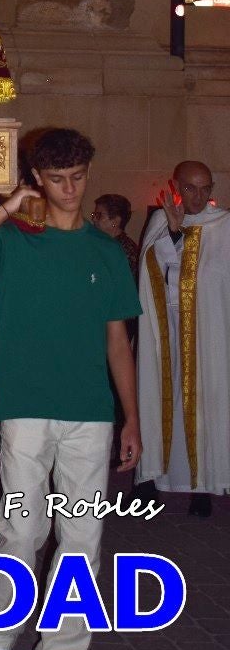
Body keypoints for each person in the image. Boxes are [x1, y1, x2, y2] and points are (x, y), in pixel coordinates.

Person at [0, 128, 142, 650]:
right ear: (37, 180)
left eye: (77, 178)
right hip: (25, 404)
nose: (70, 190)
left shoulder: (107, 251)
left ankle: (64, 648)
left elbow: (118, 341)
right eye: (57, 179)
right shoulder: (12, 239)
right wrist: (6, 209)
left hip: (91, 411)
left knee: (83, 536)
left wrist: (133, 419)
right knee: (19, 531)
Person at [136, 160, 230, 517]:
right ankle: (151, 481)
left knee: (207, 406)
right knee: (159, 400)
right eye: (190, 188)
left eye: (205, 188)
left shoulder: (224, 225)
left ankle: (203, 487)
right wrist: (174, 234)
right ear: (175, 186)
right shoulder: (162, 221)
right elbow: (149, 274)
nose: (198, 195)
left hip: (211, 338)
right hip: (168, 335)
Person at [91, 193, 139, 281]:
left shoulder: (125, 251)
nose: (93, 219)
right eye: (94, 215)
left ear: (115, 221)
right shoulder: (106, 244)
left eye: (99, 215)